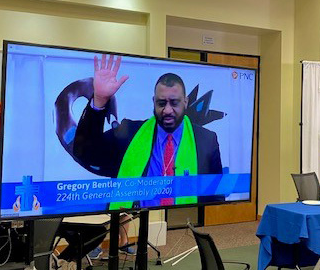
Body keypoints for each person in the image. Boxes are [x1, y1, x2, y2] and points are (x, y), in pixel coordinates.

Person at [73, 54, 223, 208]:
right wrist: (99, 100)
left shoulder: (206, 140)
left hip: (183, 225)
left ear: (185, 102)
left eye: (174, 103)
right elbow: (86, 153)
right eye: (161, 103)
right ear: (153, 102)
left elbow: (217, 194)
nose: (167, 110)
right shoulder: (128, 133)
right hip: (135, 225)